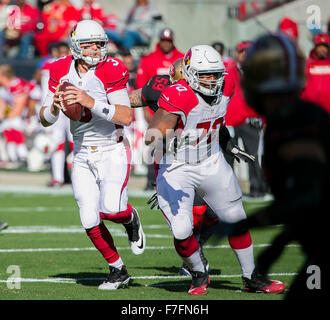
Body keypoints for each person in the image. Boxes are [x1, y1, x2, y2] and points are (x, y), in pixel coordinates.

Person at [144, 45, 285, 296]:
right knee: (181, 230)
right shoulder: (179, 94)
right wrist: (161, 140)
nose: (211, 79)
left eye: (215, 73)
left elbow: (215, 117)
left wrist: (227, 143)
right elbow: (153, 133)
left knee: (237, 219)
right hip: (177, 166)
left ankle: (251, 276)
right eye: (204, 74)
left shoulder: (227, 83)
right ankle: (198, 272)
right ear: (188, 73)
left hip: (211, 161)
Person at [209, 33, 329, 300]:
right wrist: (274, 249)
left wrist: (242, 225)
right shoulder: (287, 119)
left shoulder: (296, 123)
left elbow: (306, 200)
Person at [39, 20, 146, 290]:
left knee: (111, 209)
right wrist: (53, 108)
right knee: (89, 218)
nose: (96, 49)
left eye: (100, 43)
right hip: (83, 152)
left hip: (112, 147)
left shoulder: (111, 68)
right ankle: (118, 270)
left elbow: (125, 115)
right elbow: (44, 119)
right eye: (88, 44)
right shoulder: (59, 68)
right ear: (76, 46)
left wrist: (90, 101)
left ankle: (131, 219)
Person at [225, 41, 269, 198]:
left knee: (253, 156)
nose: (245, 54)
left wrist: (264, 119)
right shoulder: (229, 71)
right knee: (228, 156)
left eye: (248, 51)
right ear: (237, 53)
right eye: (242, 51)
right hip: (230, 121)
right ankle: (228, 190)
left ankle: (257, 188)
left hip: (250, 121)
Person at [0, 64, 30, 168]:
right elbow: (2, 106)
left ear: (3, 76)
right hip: (14, 115)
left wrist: (6, 119)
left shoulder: (17, 84)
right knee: (7, 131)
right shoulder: (3, 88)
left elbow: (19, 107)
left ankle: (23, 157)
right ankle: (11, 158)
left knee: (13, 128)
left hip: (29, 115)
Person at [301, 32, 330, 114]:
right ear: (315, 48)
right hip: (310, 112)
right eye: (319, 46)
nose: (322, 49)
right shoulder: (307, 64)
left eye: (324, 47)